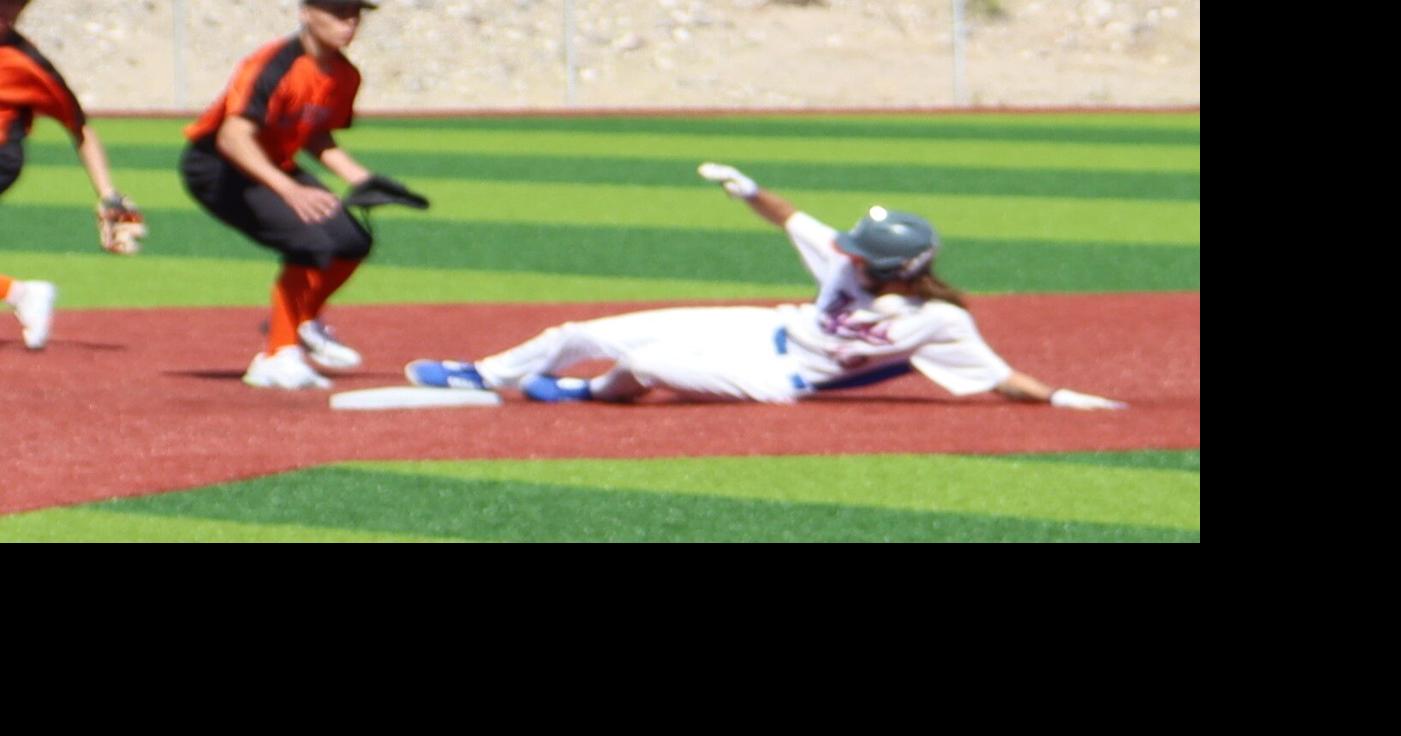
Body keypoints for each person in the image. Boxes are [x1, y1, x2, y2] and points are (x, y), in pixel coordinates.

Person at [404, 163, 1127, 410]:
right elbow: (791, 217)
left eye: (862, 253)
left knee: (645, 366)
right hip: (761, 326)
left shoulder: (938, 323)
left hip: (776, 375)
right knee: (588, 331)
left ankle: (587, 394)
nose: (846, 252)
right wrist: (745, 188)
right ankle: (482, 374)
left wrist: (1065, 398)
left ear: (896, 269)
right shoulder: (845, 262)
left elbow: (1000, 379)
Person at [181, 0, 394, 390]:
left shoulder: (344, 75)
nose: (348, 23)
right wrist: (290, 190)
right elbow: (232, 138)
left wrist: (360, 178)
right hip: (219, 168)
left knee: (351, 240)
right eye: (337, 12)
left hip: (272, 165)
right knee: (309, 241)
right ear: (306, 12)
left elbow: (314, 132)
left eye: (354, 14)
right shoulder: (272, 64)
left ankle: (302, 320)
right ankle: (277, 356)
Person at [2, 0, 144, 351]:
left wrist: (108, 192)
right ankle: (22, 293)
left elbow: (79, 128)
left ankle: (23, 294)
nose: (7, 12)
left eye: (13, 7)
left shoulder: (28, 63)